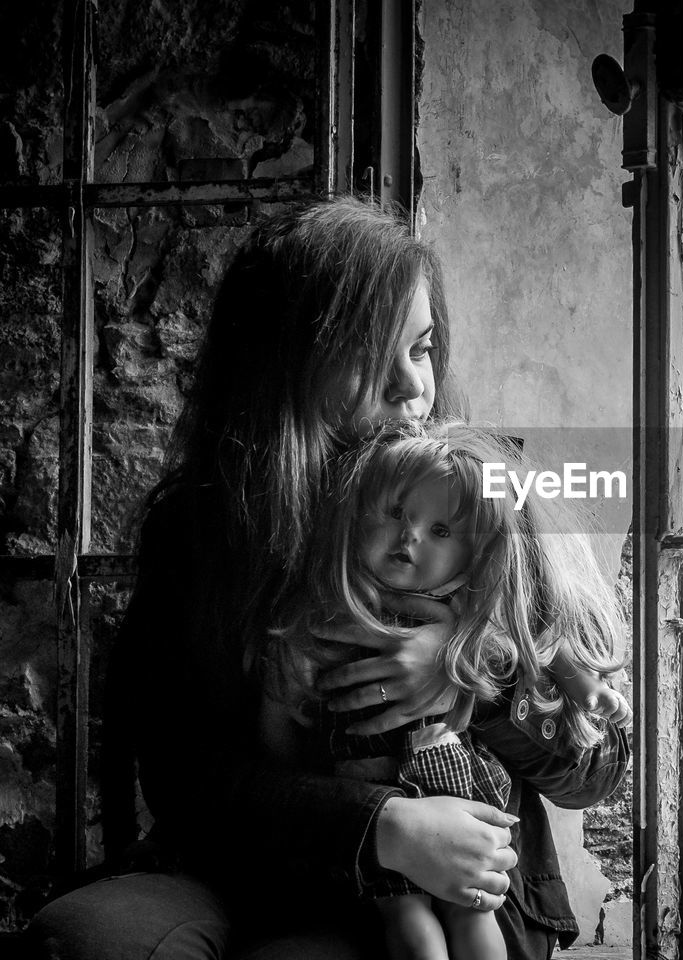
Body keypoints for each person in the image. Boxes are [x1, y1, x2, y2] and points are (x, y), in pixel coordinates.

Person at [24, 197, 630, 960]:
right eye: (377, 354)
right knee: (86, 942)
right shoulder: (201, 527)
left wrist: (476, 674)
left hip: (457, 894)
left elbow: (600, 766)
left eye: (424, 347)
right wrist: (376, 827)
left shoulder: (479, 505)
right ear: (290, 359)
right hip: (246, 864)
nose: (414, 387)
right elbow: (185, 777)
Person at [261, 418, 631, 960]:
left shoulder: (487, 613)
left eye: (439, 532)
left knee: (475, 912)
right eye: (393, 515)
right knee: (410, 926)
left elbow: (551, 657)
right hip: (368, 809)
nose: (409, 536)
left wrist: (473, 673)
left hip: (459, 794)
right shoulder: (326, 612)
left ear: (476, 554)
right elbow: (277, 742)